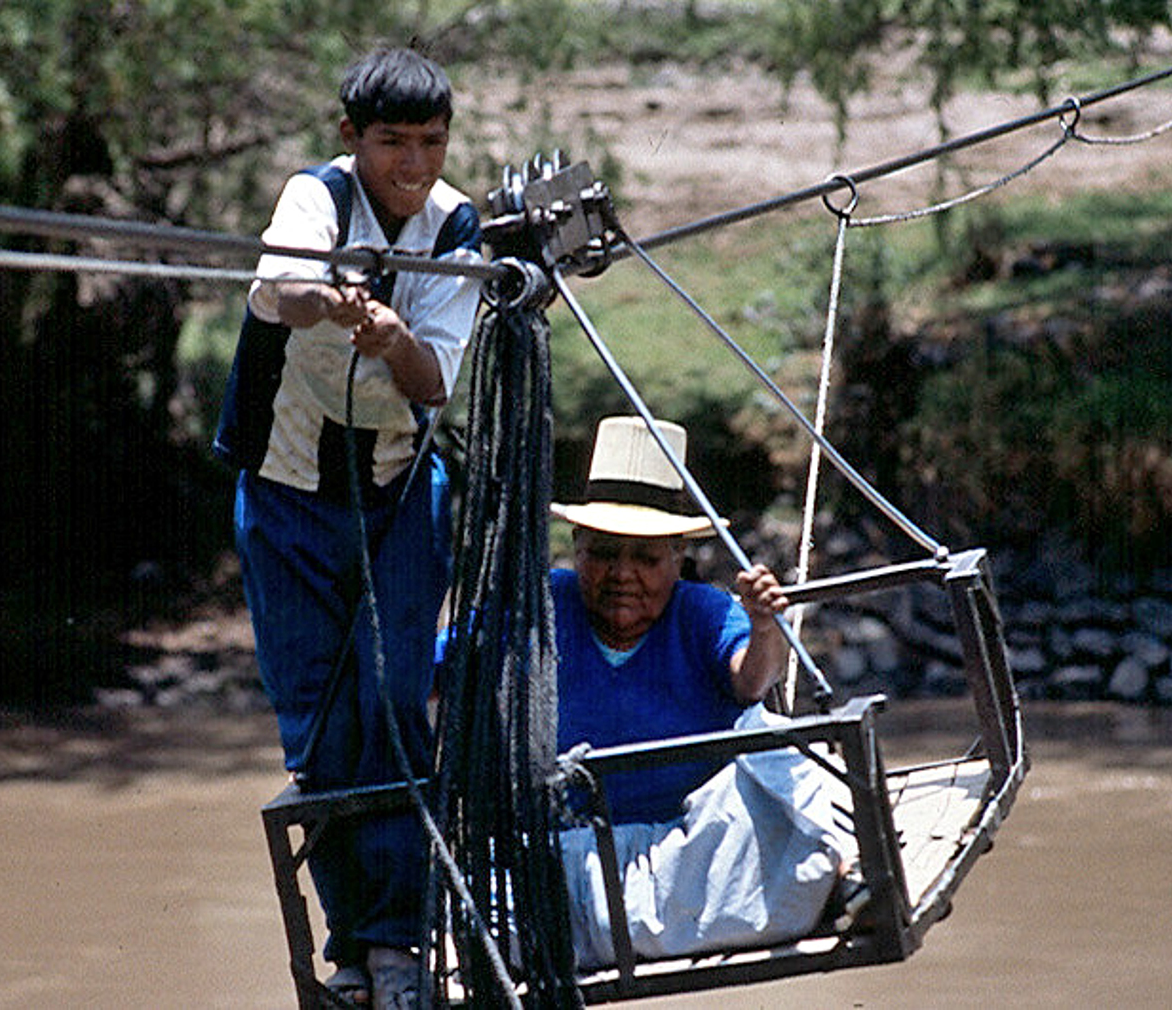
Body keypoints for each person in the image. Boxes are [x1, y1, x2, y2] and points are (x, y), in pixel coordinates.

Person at [213, 48, 483, 1009]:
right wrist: (326, 298)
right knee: (320, 732)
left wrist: (393, 337)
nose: (412, 164)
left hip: (398, 494)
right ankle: (354, 949)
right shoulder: (316, 197)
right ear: (351, 139)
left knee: (395, 707)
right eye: (391, 143)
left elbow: (434, 381)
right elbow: (274, 292)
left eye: (430, 143)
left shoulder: (457, 227)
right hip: (287, 493)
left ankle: (400, 938)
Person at [549, 416, 856, 967]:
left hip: (695, 860)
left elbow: (751, 679)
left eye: (646, 559)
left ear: (677, 560)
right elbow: (435, 671)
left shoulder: (702, 612)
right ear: (577, 549)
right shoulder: (544, 605)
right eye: (604, 554)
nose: (622, 575)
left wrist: (764, 625)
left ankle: (842, 875)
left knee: (771, 740)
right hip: (573, 866)